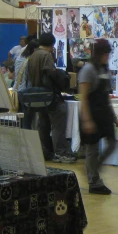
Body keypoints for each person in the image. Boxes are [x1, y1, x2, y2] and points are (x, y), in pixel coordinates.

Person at [78, 39, 118, 195]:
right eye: (105, 54)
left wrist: (114, 118)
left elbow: (106, 97)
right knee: (92, 150)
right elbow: (83, 98)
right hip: (91, 113)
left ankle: (94, 169)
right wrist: (87, 120)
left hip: (103, 113)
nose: (107, 57)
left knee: (112, 143)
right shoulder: (88, 70)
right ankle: (94, 181)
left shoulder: (104, 69)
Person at [25, 33, 76, 163]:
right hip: (49, 95)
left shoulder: (32, 56)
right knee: (58, 123)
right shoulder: (46, 55)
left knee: (43, 125)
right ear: (52, 44)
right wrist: (62, 78)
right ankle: (61, 152)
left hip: (37, 96)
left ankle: (45, 151)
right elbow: (50, 72)